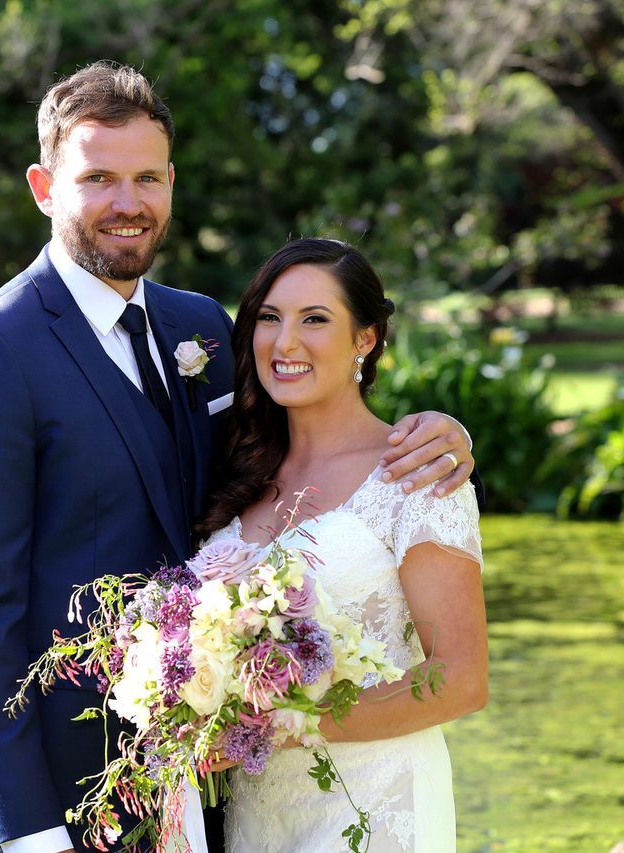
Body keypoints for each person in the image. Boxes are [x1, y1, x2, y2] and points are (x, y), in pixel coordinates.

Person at [0, 62, 475, 853]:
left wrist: (444, 432)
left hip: (221, 789)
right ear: (44, 186)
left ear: (172, 182)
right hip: (72, 799)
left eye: (147, 177)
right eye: (98, 178)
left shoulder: (201, 329)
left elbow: (302, 456)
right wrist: (29, 832)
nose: (127, 202)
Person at [195, 238, 487, 851]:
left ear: (366, 339)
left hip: (377, 804)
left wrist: (288, 725)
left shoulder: (417, 475)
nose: (285, 343)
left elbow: (461, 679)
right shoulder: (235, 468)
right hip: (257, 815)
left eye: (315, 320)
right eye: (269, 318)